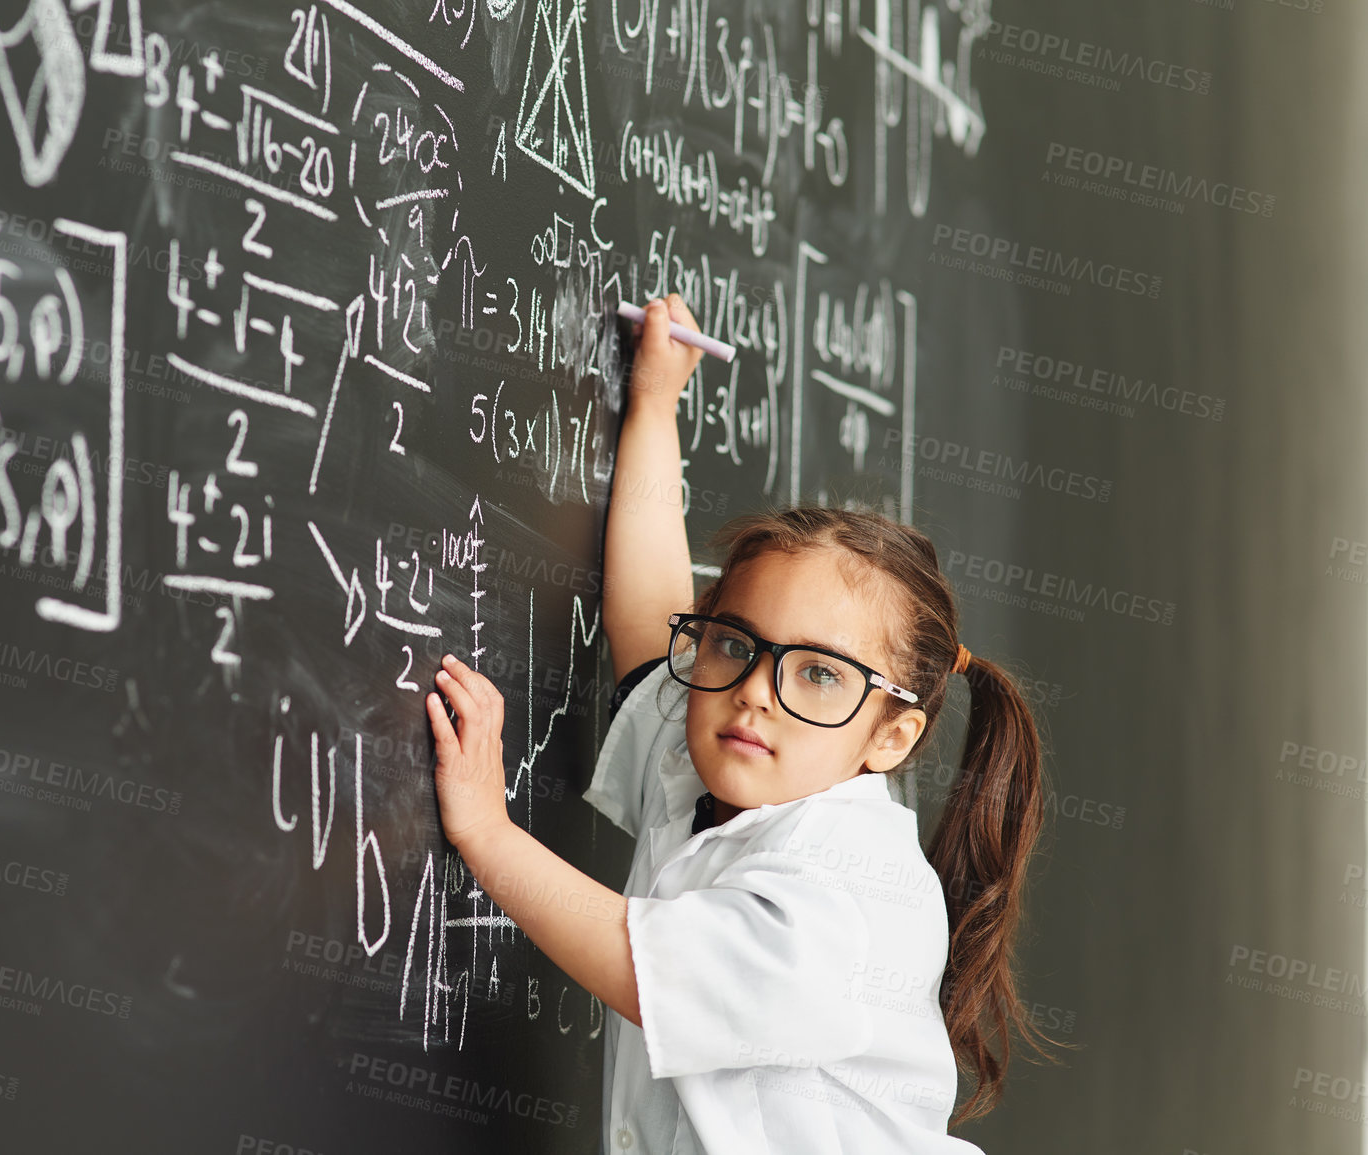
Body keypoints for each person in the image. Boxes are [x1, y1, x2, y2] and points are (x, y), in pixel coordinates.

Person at [424, 296, 1069, 1154]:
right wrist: (654, 406)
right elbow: (651, 622)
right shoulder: (727, 761)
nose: (756, 691)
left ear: (891, 736)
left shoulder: (850, 891)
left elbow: (643, 968)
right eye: (734, 643)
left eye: (817, 671)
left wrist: (486, 833)